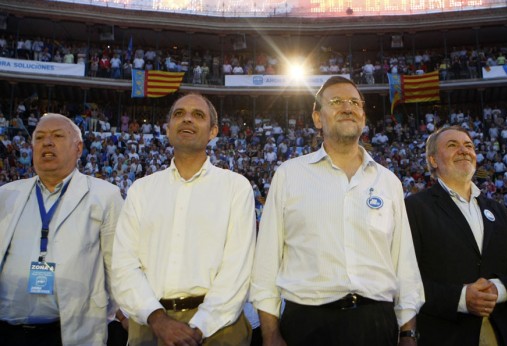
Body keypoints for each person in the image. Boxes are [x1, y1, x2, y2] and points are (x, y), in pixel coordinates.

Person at [251, 76, 424, 346]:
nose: (347, 107)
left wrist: (408, 333)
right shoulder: (289, 175)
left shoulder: (388, 181)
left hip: (376, 323)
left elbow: (404, 265)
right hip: (307, 323)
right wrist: (270, 334)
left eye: (355, 102)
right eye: (336, 102)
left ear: (363, 117)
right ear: (317, 118)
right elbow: (266, 264)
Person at [111, 93, 255, 346]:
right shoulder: (141, 190)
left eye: (198, 115)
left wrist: (198, 328)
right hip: (150, 325)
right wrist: (158, 320)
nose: (187, 119)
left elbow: (237, 269)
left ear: (212, 132)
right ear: (168, 129)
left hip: (219, 328)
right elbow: (124, 265)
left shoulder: (235, 187)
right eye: (179, 114)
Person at [0, 113, 123, 345]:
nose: (47, 142)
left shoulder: (104, 195)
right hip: (8, 331)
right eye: (40, 137)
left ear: (78, 148)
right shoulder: (7, 194)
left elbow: (116, 266)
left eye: (57, 136)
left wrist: (122, 313)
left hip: (69, 332)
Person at [405, 125, 507, 345]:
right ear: (433, 160)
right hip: (444, 335)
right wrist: (461, 298)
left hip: (502, 333)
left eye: (469, 145)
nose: (463, 150)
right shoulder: (414, 208)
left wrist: (497, 291)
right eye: (452, 145)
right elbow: (407, 278)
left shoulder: (497, 210)